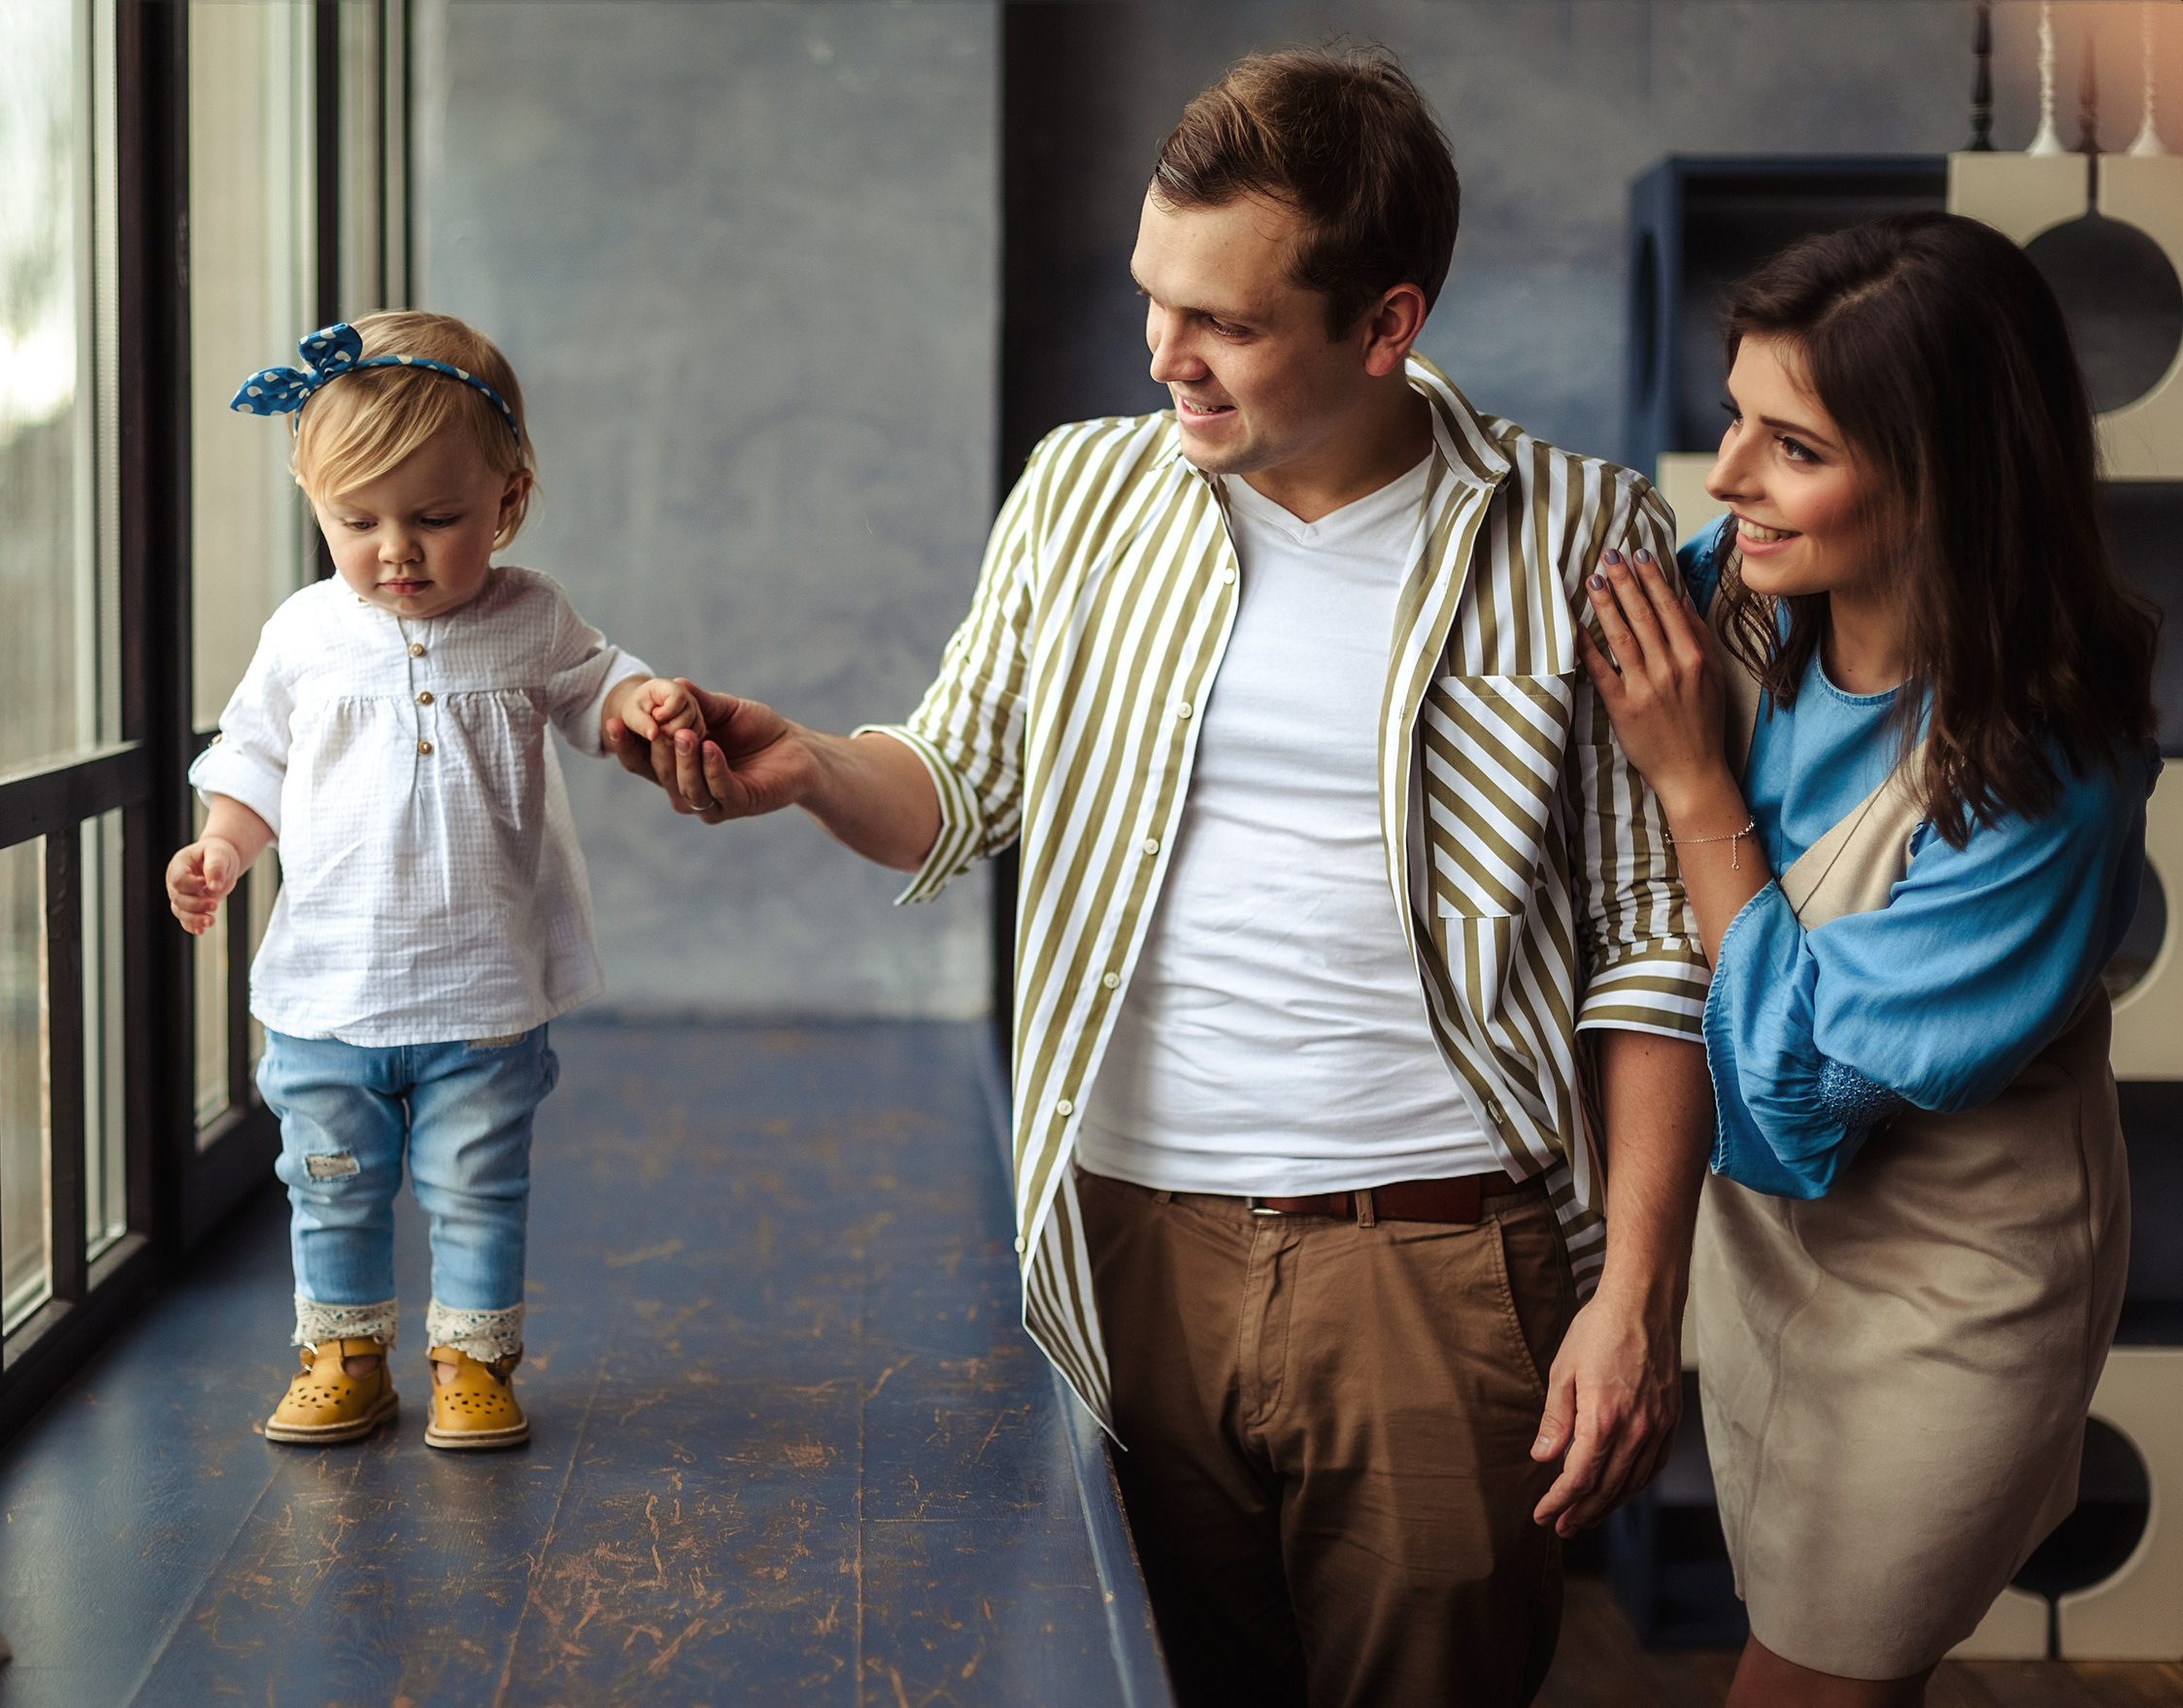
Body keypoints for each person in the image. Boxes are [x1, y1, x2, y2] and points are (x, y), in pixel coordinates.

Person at [611, 49, 1713, 1707]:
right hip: (1130, 1248)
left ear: (1386, 322)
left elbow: (1651, 940)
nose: (1163, 354)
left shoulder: (1577, 531)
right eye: (1150, 298)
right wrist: (813, 768)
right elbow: (963, 778)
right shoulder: (1084, 491)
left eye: (1227, 323)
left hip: (1434, 1269)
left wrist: (1637, 1295)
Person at [1582, 212, 2154, 1707]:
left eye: (1794, 446)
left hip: (1953, 1281)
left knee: (1809, 1677)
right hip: (1768, 1257)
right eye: (1735, 416)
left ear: (1942, 477)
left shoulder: (2045, 765)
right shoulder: (1748, 593)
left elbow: (1803, 1086)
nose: (1725, 477)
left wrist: (1699, 792)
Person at [168, 311, 702, 1451]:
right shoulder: (306, 633)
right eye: (355, 521)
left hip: (481, 994)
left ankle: (471, 1359)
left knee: (475, 1189)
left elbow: (594, 687)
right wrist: (222, 843)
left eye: (437, 518)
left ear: (506, 502)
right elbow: (254, 756)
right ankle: (346, 1354)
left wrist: (635, 708)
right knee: (332, 1184)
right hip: (326, 996)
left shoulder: (529, 617)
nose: (394, 549)